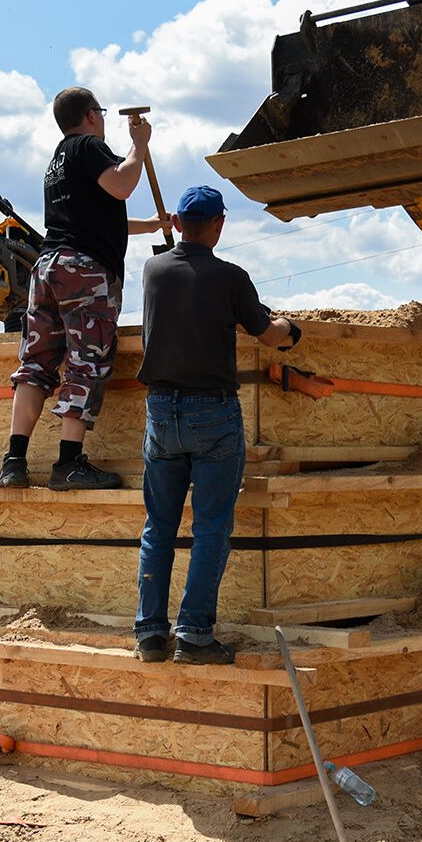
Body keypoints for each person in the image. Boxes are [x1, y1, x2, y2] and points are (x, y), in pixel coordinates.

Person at [131, 185, 301, 664]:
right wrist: (290, 328)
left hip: (161, 412)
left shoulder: (152, 270)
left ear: (178, 223)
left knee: (158, 527)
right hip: (213, 414)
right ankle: (195, 636)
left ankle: (150, 634)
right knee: (209, 528)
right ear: (219, 225)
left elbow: (174, 276)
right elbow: (266, 334)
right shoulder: (231, 277)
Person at [0, 87, 167, 491]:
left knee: (36, 364)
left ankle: (14, 461)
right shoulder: (89, 146)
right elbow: (123, 184)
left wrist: (154, 225)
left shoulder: (57, 162)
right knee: (85, 362)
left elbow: (95, 218)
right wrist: (139, 146)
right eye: (102, 113)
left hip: (48, 268)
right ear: (92, 115)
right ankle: (69, 463)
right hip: (83, 272)